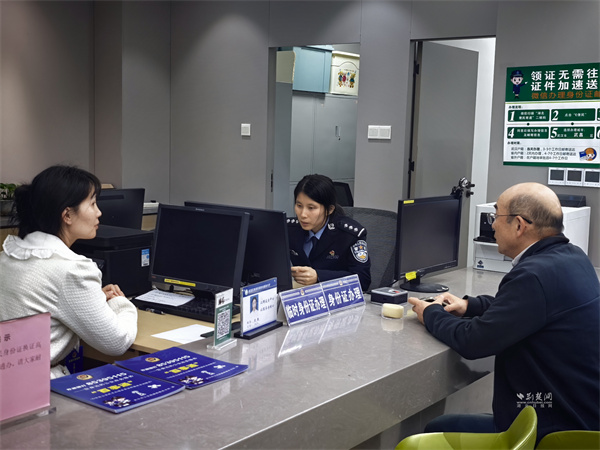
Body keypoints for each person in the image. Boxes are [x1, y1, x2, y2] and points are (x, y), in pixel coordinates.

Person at [407, 182, 599, 443]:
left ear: (519, 225)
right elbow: (527, 310)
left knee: (434, 431)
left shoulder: (533, 275)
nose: (493, 225)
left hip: (552, 433)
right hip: (581, 421)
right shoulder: (573, 258)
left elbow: (473, 341)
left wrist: (431, 313)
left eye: (496, 216)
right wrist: (470, 306)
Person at [0, 165, 138, 378]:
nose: (99, 212)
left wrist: (92, 299)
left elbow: (44, 304)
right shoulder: (71, 269)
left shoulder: (8, 255)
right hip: (39, 387)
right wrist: (121, 303)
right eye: (92, 203)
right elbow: (117, 342)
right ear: (67, 215)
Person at [288, 174, 371, 291]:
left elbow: (363, 280)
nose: (303, 214)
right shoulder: (290, 229)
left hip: (335, 296)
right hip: (302, 295)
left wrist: (319, 276)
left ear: (330, 209)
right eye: (299, 206)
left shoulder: (349, 234)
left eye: (311, 208)